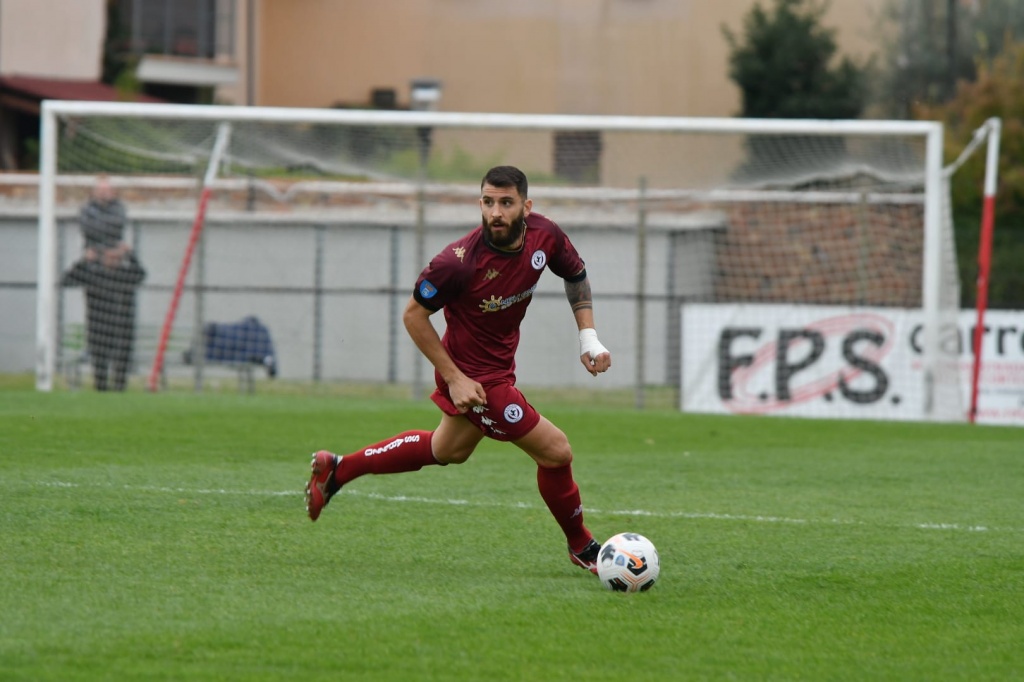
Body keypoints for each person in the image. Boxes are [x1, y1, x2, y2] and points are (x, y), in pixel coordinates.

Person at [306, 165, 613, 573]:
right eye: (488, 202)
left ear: (527, 205)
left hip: (498, 369)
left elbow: (575, 274)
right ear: (479, 203)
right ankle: (582, 546)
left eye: (506, 203)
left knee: (445, 449)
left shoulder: (545, 235)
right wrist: (455, 378)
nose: (496, 213)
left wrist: (588, 338)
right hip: (473, 378)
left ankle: (338, 470)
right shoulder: (456, 263)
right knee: (557, 452)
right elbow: (414, 316)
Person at [62, 242, 146, 391]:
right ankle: (101, 389)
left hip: (123, 325)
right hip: (98, 325)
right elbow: (67, 280)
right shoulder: (95, 274)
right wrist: (84, 261)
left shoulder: (125, 274)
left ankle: (119, 390)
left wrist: (131, 255)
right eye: (110, 257)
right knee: (100, 362)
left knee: (121, 363)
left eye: (117, 258)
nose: (113, 261)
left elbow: (141, 275)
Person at [79, 175, 127, 250]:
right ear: (94, 192)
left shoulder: (118, 207)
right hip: (93, 249)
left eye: (106, 190)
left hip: (114, 249)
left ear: (112, 191)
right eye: (100, 190)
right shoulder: (87, 208)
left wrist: (97, 221)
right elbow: (87, 228)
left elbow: (118, 225)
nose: (103, 193)